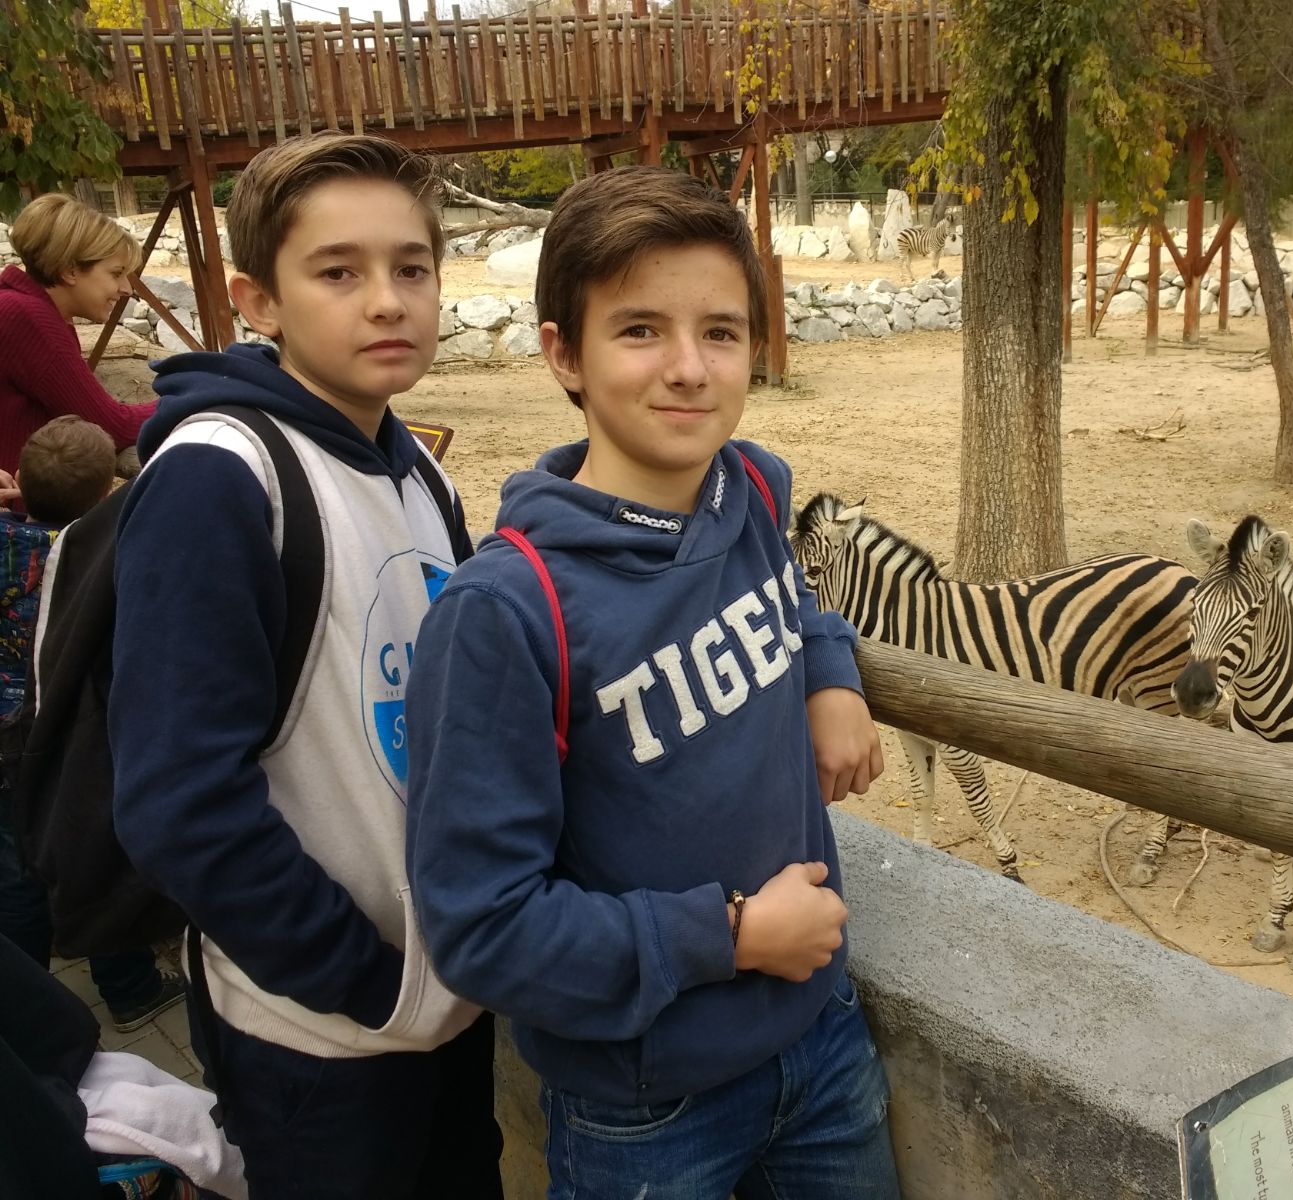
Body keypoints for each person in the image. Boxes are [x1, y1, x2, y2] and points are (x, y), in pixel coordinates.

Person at [405, 166, 901, 1199]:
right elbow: (483, 928)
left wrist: (829, 668)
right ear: (563, 354)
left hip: (820, 1036)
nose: (688, 368)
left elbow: (790, 592)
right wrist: (730, 936)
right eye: (639, 330)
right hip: (646, 1112)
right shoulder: (504, 614)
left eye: (720, 332)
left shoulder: (750, 485)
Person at [105, 131, 502, 1199]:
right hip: (319, 1042)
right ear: (259, 301)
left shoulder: (419, 472)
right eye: (338, 272)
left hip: (446, 1000)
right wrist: (366, 983)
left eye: (411, 268)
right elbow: (179, 801)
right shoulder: (220, 481)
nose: (386, 302)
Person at [0, 416, 185, 1034]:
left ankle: (25, 1000)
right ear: (106, 493)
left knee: (16, 862)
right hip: (59, 733)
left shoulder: (9, 540)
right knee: (93, 854)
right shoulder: (94, 560)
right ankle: (128, 990)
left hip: (5, 732)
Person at [0, 194, 155, 478]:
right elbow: (110, 427)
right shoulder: (26, 317)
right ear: (70, 270)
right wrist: (194, 397)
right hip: (23, 505)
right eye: (116, 273)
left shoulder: (25, 307)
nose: (126, 289)